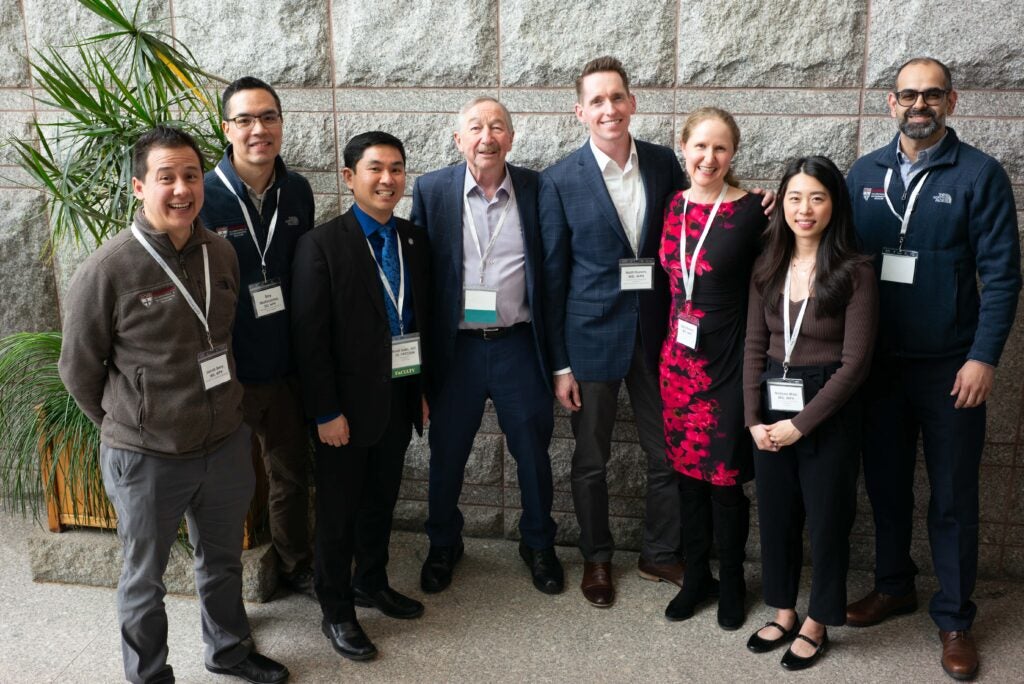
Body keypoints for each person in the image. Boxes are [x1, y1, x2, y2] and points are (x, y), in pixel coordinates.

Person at [58, 126, 289, 684]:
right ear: (139, 186)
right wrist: (133, 425)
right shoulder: (108, 268)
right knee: (145, 579)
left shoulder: (221, 253)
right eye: (167, 178)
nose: (182, 189)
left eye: (190, 175)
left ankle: (229, 651)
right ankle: (151, 676)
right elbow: (79, 370)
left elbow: (224, 340)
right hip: (147, 457)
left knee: (223, 561)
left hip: (224, 445)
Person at [845, 57, 1021, 681]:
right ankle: (894, 586)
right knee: (886, 488)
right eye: (908, 95)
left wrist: (983, 357)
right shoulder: (862, 173)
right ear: (891, 103)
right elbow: (826, 247)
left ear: (951, 101)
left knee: (952, 498)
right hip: (877, 369)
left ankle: (954, 617)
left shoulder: (979, 174)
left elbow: (1002, 276)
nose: (919, 105)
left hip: (951, 369)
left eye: (932, 95)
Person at [539, 56, 687, 607]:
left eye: (617, 98)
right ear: (581, 112)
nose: (609, 109)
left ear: (632, 103)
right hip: (591, 338)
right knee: (590, 460)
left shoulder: (664, 163)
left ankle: (659, 553)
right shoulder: (559, 180)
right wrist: (560, 365)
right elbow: (552, 280)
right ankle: (597, 559)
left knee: (666, 453)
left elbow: (691, 225)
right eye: (597, 101)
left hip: (656, 336)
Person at [411, 96, 562, 596]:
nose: (487, 136)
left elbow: (555, 275)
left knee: (534, 455)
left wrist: (561, 362)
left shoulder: (539, 188)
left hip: (519, 345)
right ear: (459, 140)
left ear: (511, 139)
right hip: (458, 351)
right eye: (475, 127)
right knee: (447, 452)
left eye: (497, 126)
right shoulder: (432, 190)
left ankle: (538, 543)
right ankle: (443, 543)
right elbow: (419, 281)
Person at [291, 131, 431, 662]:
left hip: (397, 399)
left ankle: (372, 581)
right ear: (350, 177)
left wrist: (420, 391)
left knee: (381, 502)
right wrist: (326, 411)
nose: (388, 179)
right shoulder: (322, 245)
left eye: (396, 168)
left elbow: (420, 322)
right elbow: (310, 338)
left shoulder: (413, 240)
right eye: (375, 168)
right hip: (343, 411)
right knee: (339, 512)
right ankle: (336, 608)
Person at [743, 156, 878, 671]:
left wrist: (801, 424)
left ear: (833, 205)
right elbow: (755, 344)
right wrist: (754, 419)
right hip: (772, 396)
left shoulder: (855, 272)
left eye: (817, 198)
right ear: (783, 203)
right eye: (796, 197)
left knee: (826, 519)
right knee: (776, 515)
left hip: (827, 406)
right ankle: (783, 610)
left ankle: (818, 621)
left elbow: (855, 362)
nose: (805, 209)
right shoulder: (768, 264)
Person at [200, 76, 316, 598]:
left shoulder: (297, 191)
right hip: (230, 374)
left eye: (268, 117)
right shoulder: (201, 195)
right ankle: (225, 598)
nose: (258, 129)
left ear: (281, 125)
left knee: (291, 474)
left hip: (286, 367)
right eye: (244, 119)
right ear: (226, 128)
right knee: (226, 488)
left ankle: (296, 565)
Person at [658, 108, 767, 630]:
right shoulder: (673, 206)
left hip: (727, 364)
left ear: (733, 154)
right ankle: (695, 577)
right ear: (684, 147)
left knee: (724, 481)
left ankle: (732, 583)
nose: (709, 157)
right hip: (677, 364)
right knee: (687, 480)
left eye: (720, 148)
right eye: (700, 146)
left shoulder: (753, 211)